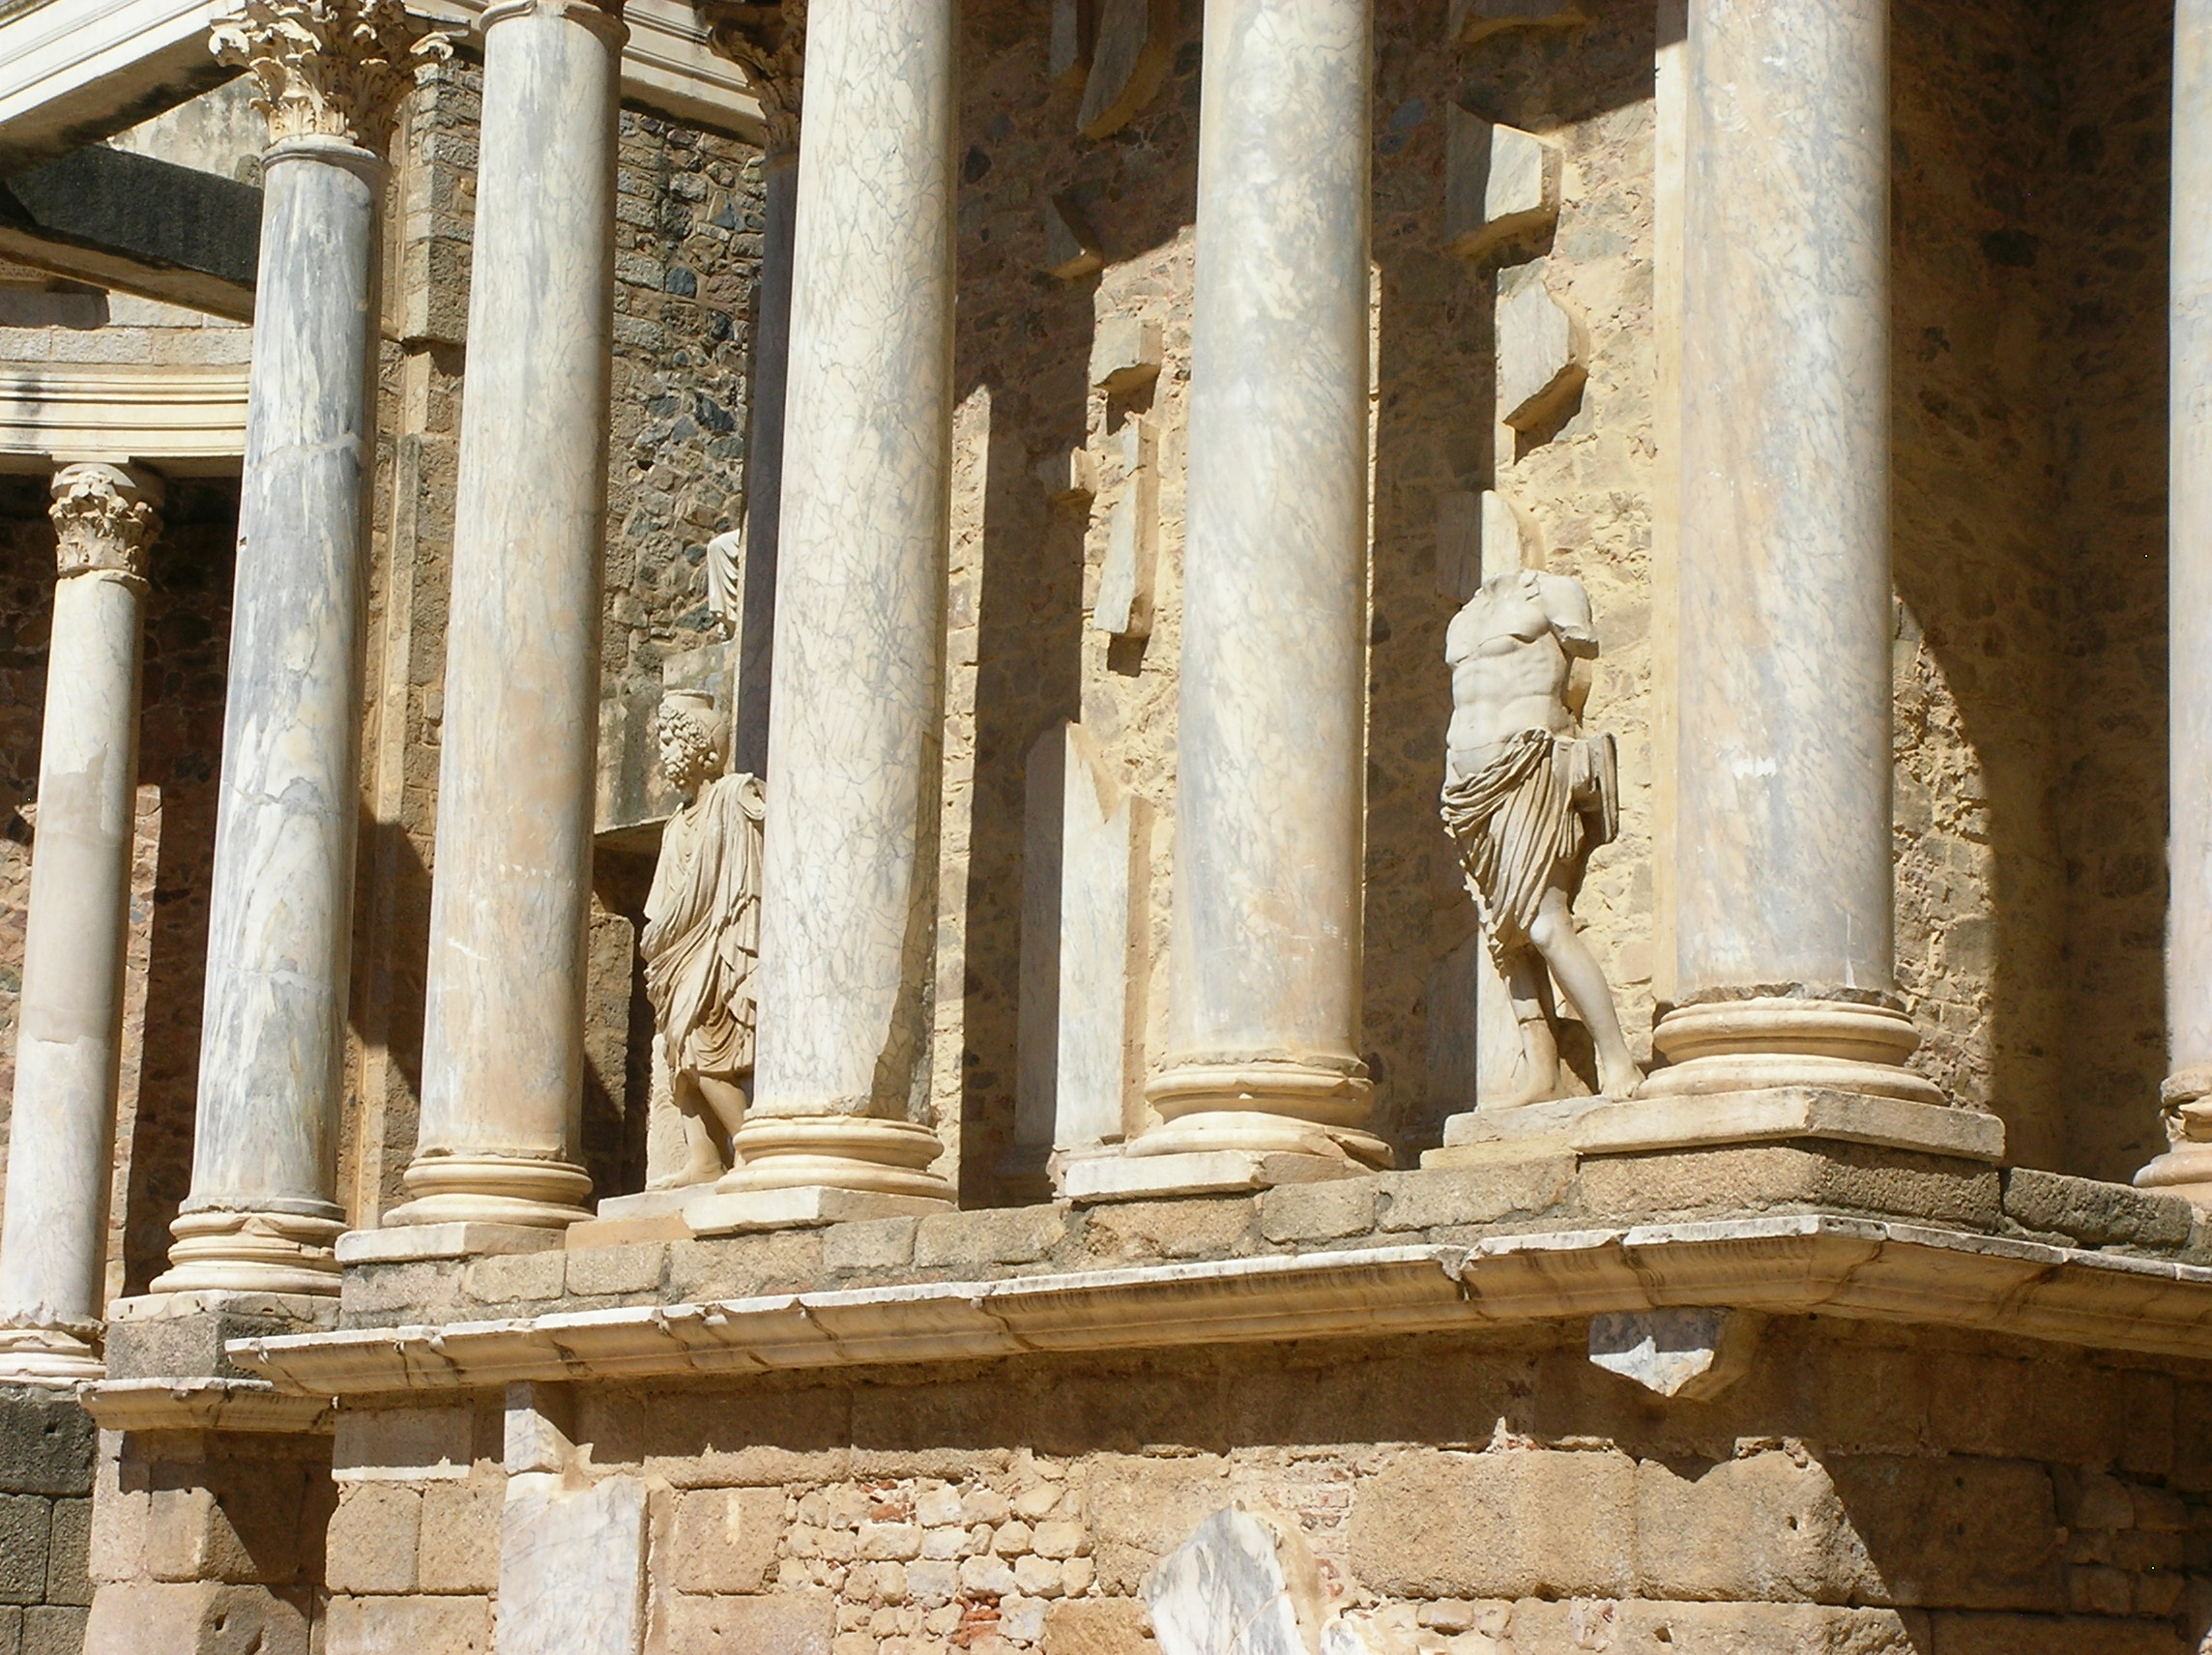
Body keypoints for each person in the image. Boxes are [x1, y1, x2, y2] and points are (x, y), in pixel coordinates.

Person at [1442, 565, 1643, 1104]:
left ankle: (1617, 1062)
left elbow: (1581, 667)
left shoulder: (1552, 591)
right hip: (1465, 784)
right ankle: (1543, 1073)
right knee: (1505, 938)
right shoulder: (1462, 619)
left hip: (1530, 760)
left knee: (1545, 923)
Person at [639, 690, 764, 1186]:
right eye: (662, 743)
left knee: (706, 1051)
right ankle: (704, 1160)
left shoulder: (733, 796)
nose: (665, 754)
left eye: (672, 742)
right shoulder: (675, 823)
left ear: (699, 747)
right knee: (679, 1058)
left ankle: (750, 1148)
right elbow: (661, 901)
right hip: (677, 951)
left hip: (715, 943)